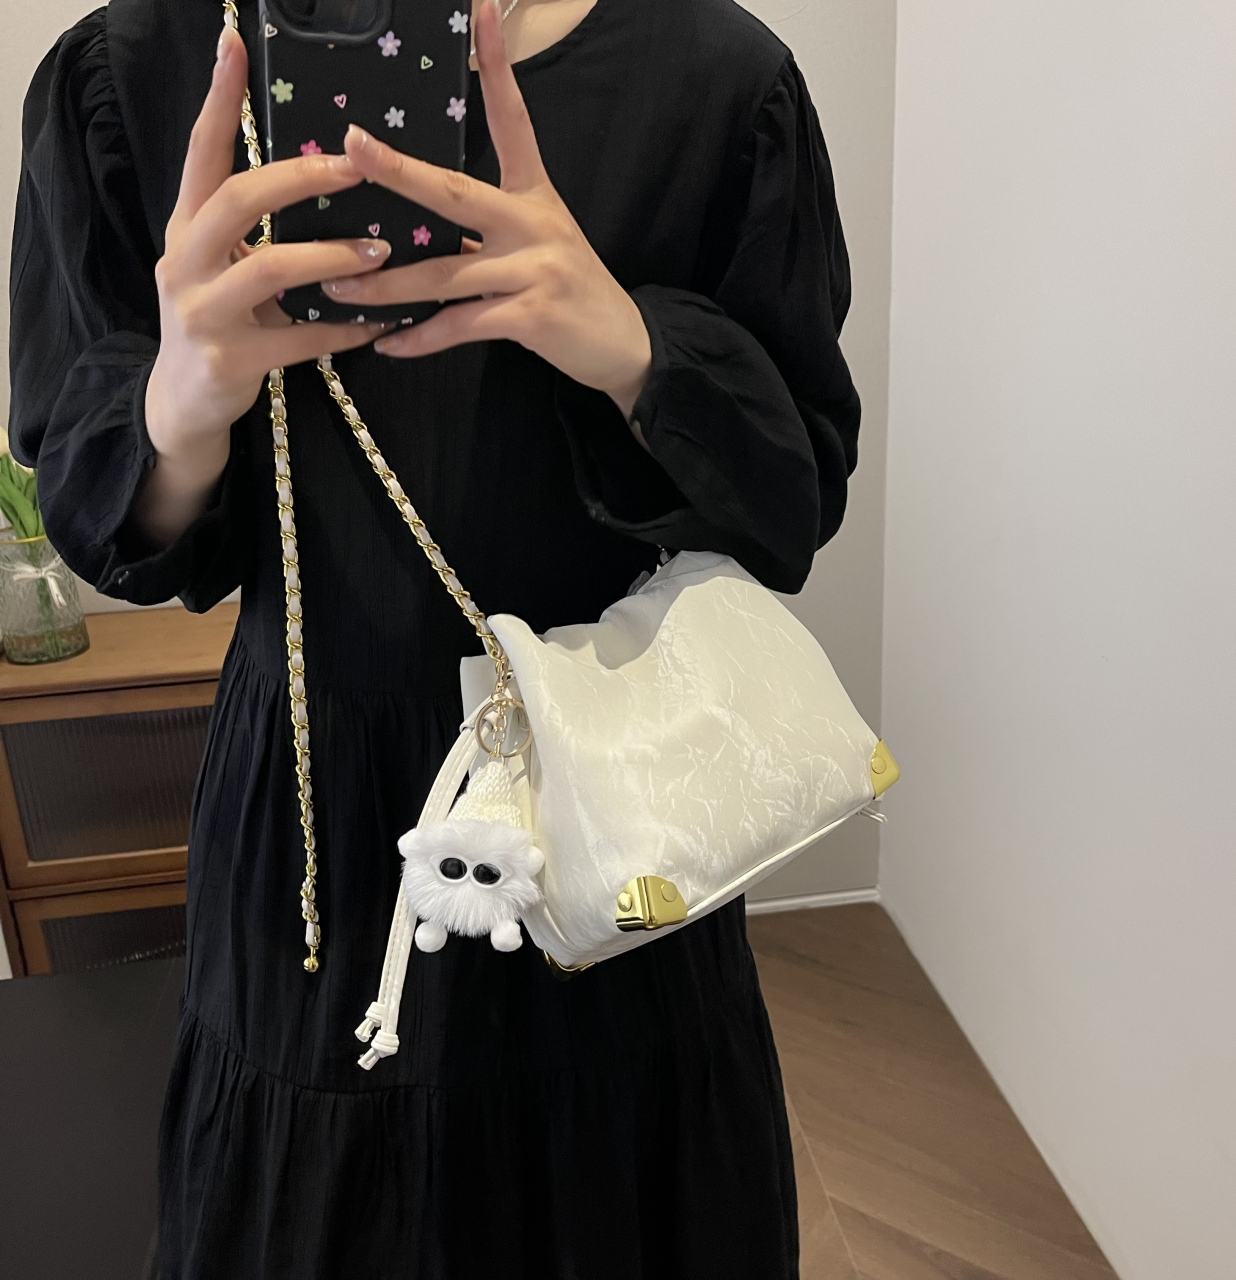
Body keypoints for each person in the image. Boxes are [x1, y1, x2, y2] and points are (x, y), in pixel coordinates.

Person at [9, 0, 860, 1274]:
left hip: (614, 800)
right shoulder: (135, 74)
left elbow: (793, 495)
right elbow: (110, 520)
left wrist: (633, 350)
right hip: (312, 830)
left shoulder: (716, 82)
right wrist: (180, 407)